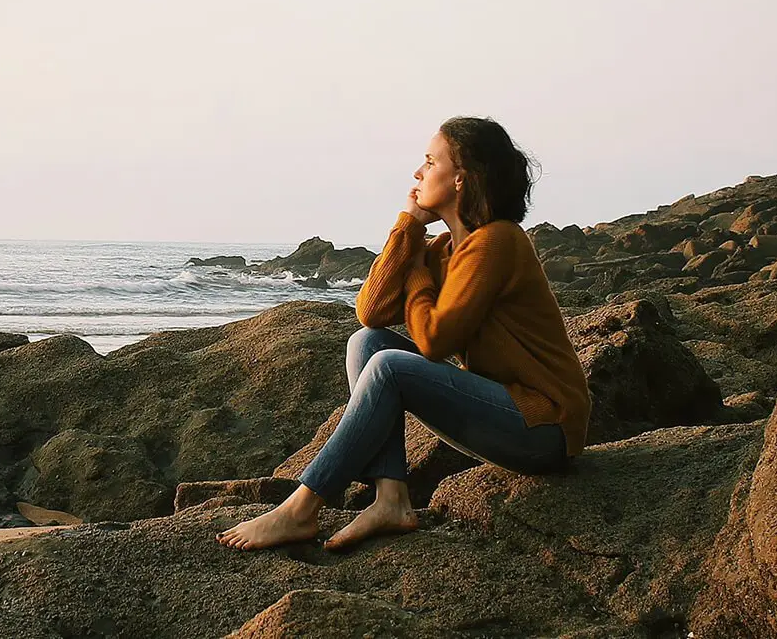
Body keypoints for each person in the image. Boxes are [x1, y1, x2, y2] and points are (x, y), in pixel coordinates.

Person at [216, 116, 591, 552]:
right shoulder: (442, 250)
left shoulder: (499, 242)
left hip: (544, 426)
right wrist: (409, 227)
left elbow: (433, 340)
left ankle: (302, 508)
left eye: (430, 162)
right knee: (367, 344)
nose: (417, 173)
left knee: (390, 366)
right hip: (503, 408)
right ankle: (391, 496)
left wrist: (415, 276)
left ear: (461, 179)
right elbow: (370, 312)